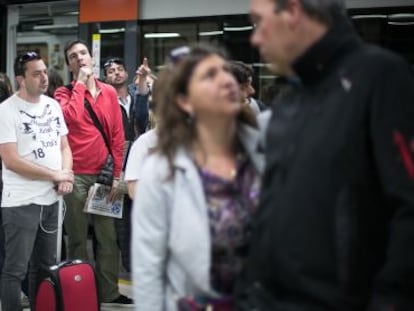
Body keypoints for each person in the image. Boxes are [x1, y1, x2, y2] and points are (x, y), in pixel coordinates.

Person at [236, 0, 414, 310]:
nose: (255, 38)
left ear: (292, 11)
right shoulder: (290, 104)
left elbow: (408, 205)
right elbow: (272, 211)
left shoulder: (377, 77)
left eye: (258, 22)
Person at [132, 44, 265, 310]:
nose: (226, 80)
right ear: (185, 101)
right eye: (210, 76)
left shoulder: (264, 147)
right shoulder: (161, 169)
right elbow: (148, 269)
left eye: (225, 71)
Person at [54, 40, 132, 306]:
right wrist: (79, 85)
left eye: (83, 53)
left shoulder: (109, 92)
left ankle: (109, 292)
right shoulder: (63, 94)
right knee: (76, 238)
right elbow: (71, 118)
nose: (79, 58)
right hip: (74, 175)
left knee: (107, 238)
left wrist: (117, 174)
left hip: (103, 176)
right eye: (73, 56)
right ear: (69, 65)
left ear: (91, 57)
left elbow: (117, 135)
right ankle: (80, 292)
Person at [0, 51, 73, 311]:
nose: (44, 77)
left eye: (44, 71)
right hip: (21, 202)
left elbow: (64, 146)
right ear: (21, 79)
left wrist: (66, 175)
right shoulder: (7, 111)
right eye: (36, 73)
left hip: (52, 200)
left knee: (43, 268)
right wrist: (55, 175)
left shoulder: (52, 105)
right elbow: (11, 160)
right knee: (15, 270)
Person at [103, 56, 150, 273]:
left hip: (140, 168)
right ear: (105, 77)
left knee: (140, 223)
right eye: (111, 71)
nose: (116, 73)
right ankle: (125, 273)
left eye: (120, 69)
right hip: (115, 171)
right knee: (117, 230)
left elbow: (142, 118)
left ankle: (138, 270)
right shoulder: (103, 100)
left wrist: (143, 80)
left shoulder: (138, 96)